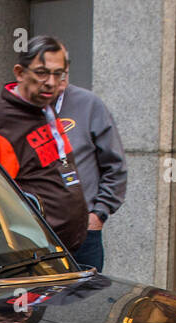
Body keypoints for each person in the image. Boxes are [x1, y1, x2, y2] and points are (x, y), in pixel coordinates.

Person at [0, 35, 88, 256]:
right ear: (20, 72)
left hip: (66, 250)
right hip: (33, 257)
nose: (51, 82)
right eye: (42, 73)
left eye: (58, 73)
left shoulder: (43, 107)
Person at [55, 79, 127, 271]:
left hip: (83, 234)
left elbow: (115, 165)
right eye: (44, 71)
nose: (54, 79)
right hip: (33, 235)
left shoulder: (89, 104)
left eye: (61, 71)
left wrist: (99, 214)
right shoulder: (18, 111)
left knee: (85, 299)